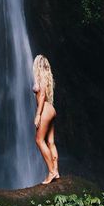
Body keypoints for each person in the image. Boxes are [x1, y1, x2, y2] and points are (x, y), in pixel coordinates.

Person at [33, 54, 60, 184]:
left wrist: (38, 114)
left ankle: (51, 172)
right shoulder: (48, 77)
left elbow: (42, 95)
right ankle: (56, 170)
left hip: (45, 110)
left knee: (39, 140)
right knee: (50, 142)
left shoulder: (41, 78)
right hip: (51, 109)